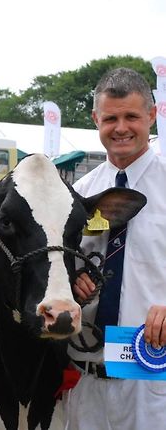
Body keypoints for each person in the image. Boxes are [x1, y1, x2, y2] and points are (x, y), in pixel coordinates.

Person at [63, 67, 166, 430]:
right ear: (96, 119)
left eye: (132, 116)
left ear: (152, 115)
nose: (121, 127)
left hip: (153, 380)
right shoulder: (77, 196)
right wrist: (72, 281)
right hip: (85, 380)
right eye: (110, 118)